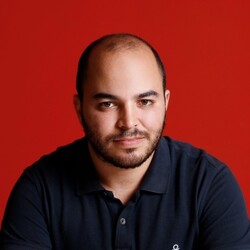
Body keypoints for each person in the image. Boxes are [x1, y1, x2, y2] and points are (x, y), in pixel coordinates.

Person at [0, 33, 250, 250]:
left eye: (144, 102)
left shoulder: (209, 184)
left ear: (166, 103)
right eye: (108, 104)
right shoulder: (39, 189)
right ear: (80, 109)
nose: (129, 122)